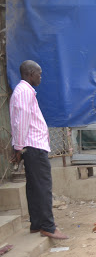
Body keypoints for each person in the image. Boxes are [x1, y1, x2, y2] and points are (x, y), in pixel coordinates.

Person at [9, 60, 68, 239]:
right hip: (33, 146)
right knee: (43, 187)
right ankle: (48, 227)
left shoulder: (22, 92)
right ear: (30, 73)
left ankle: (36, 223)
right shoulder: (25, 92)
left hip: (31, 146)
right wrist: (18, 147)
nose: (41, 77)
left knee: (34, 186)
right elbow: (22, 122)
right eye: (39, 74)